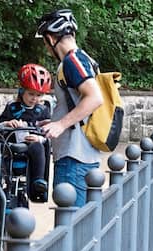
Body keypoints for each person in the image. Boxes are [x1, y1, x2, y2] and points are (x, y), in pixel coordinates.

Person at [35, 9, 104, 207]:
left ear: (50, 38)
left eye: (45, 43)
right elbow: (76, 100)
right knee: (81, 227)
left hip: (73, 156)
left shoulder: (72, 61)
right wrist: (56, 121)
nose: (47, 49)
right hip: (83, 154)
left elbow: (94, 98)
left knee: (70, 226)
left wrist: (61, 125)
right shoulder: (84, 59)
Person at [0, 63, 53, 204]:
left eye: (38, 95)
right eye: (31, 94)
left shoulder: (43, 110)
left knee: (37, 146)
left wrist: (39, 138)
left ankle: (38, 181)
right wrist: (8, 124)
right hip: (10, 143)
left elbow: (48, 131)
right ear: (22, 91)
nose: (34, 98)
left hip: (30, 146)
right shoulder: (12, 108)